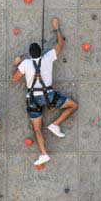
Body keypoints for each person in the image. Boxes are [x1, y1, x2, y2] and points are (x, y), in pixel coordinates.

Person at [12, 17, 79, 166]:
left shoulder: (25, 63)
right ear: (41, 52)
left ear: (29, 54)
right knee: (73, 106)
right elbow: (61, 44)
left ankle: (43, 154)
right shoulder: (48, 57)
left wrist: (17, 64)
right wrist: (57, 28)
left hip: (33, 99)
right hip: (48, 95)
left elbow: (15, 78)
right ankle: (55, 124)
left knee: (37, 129)